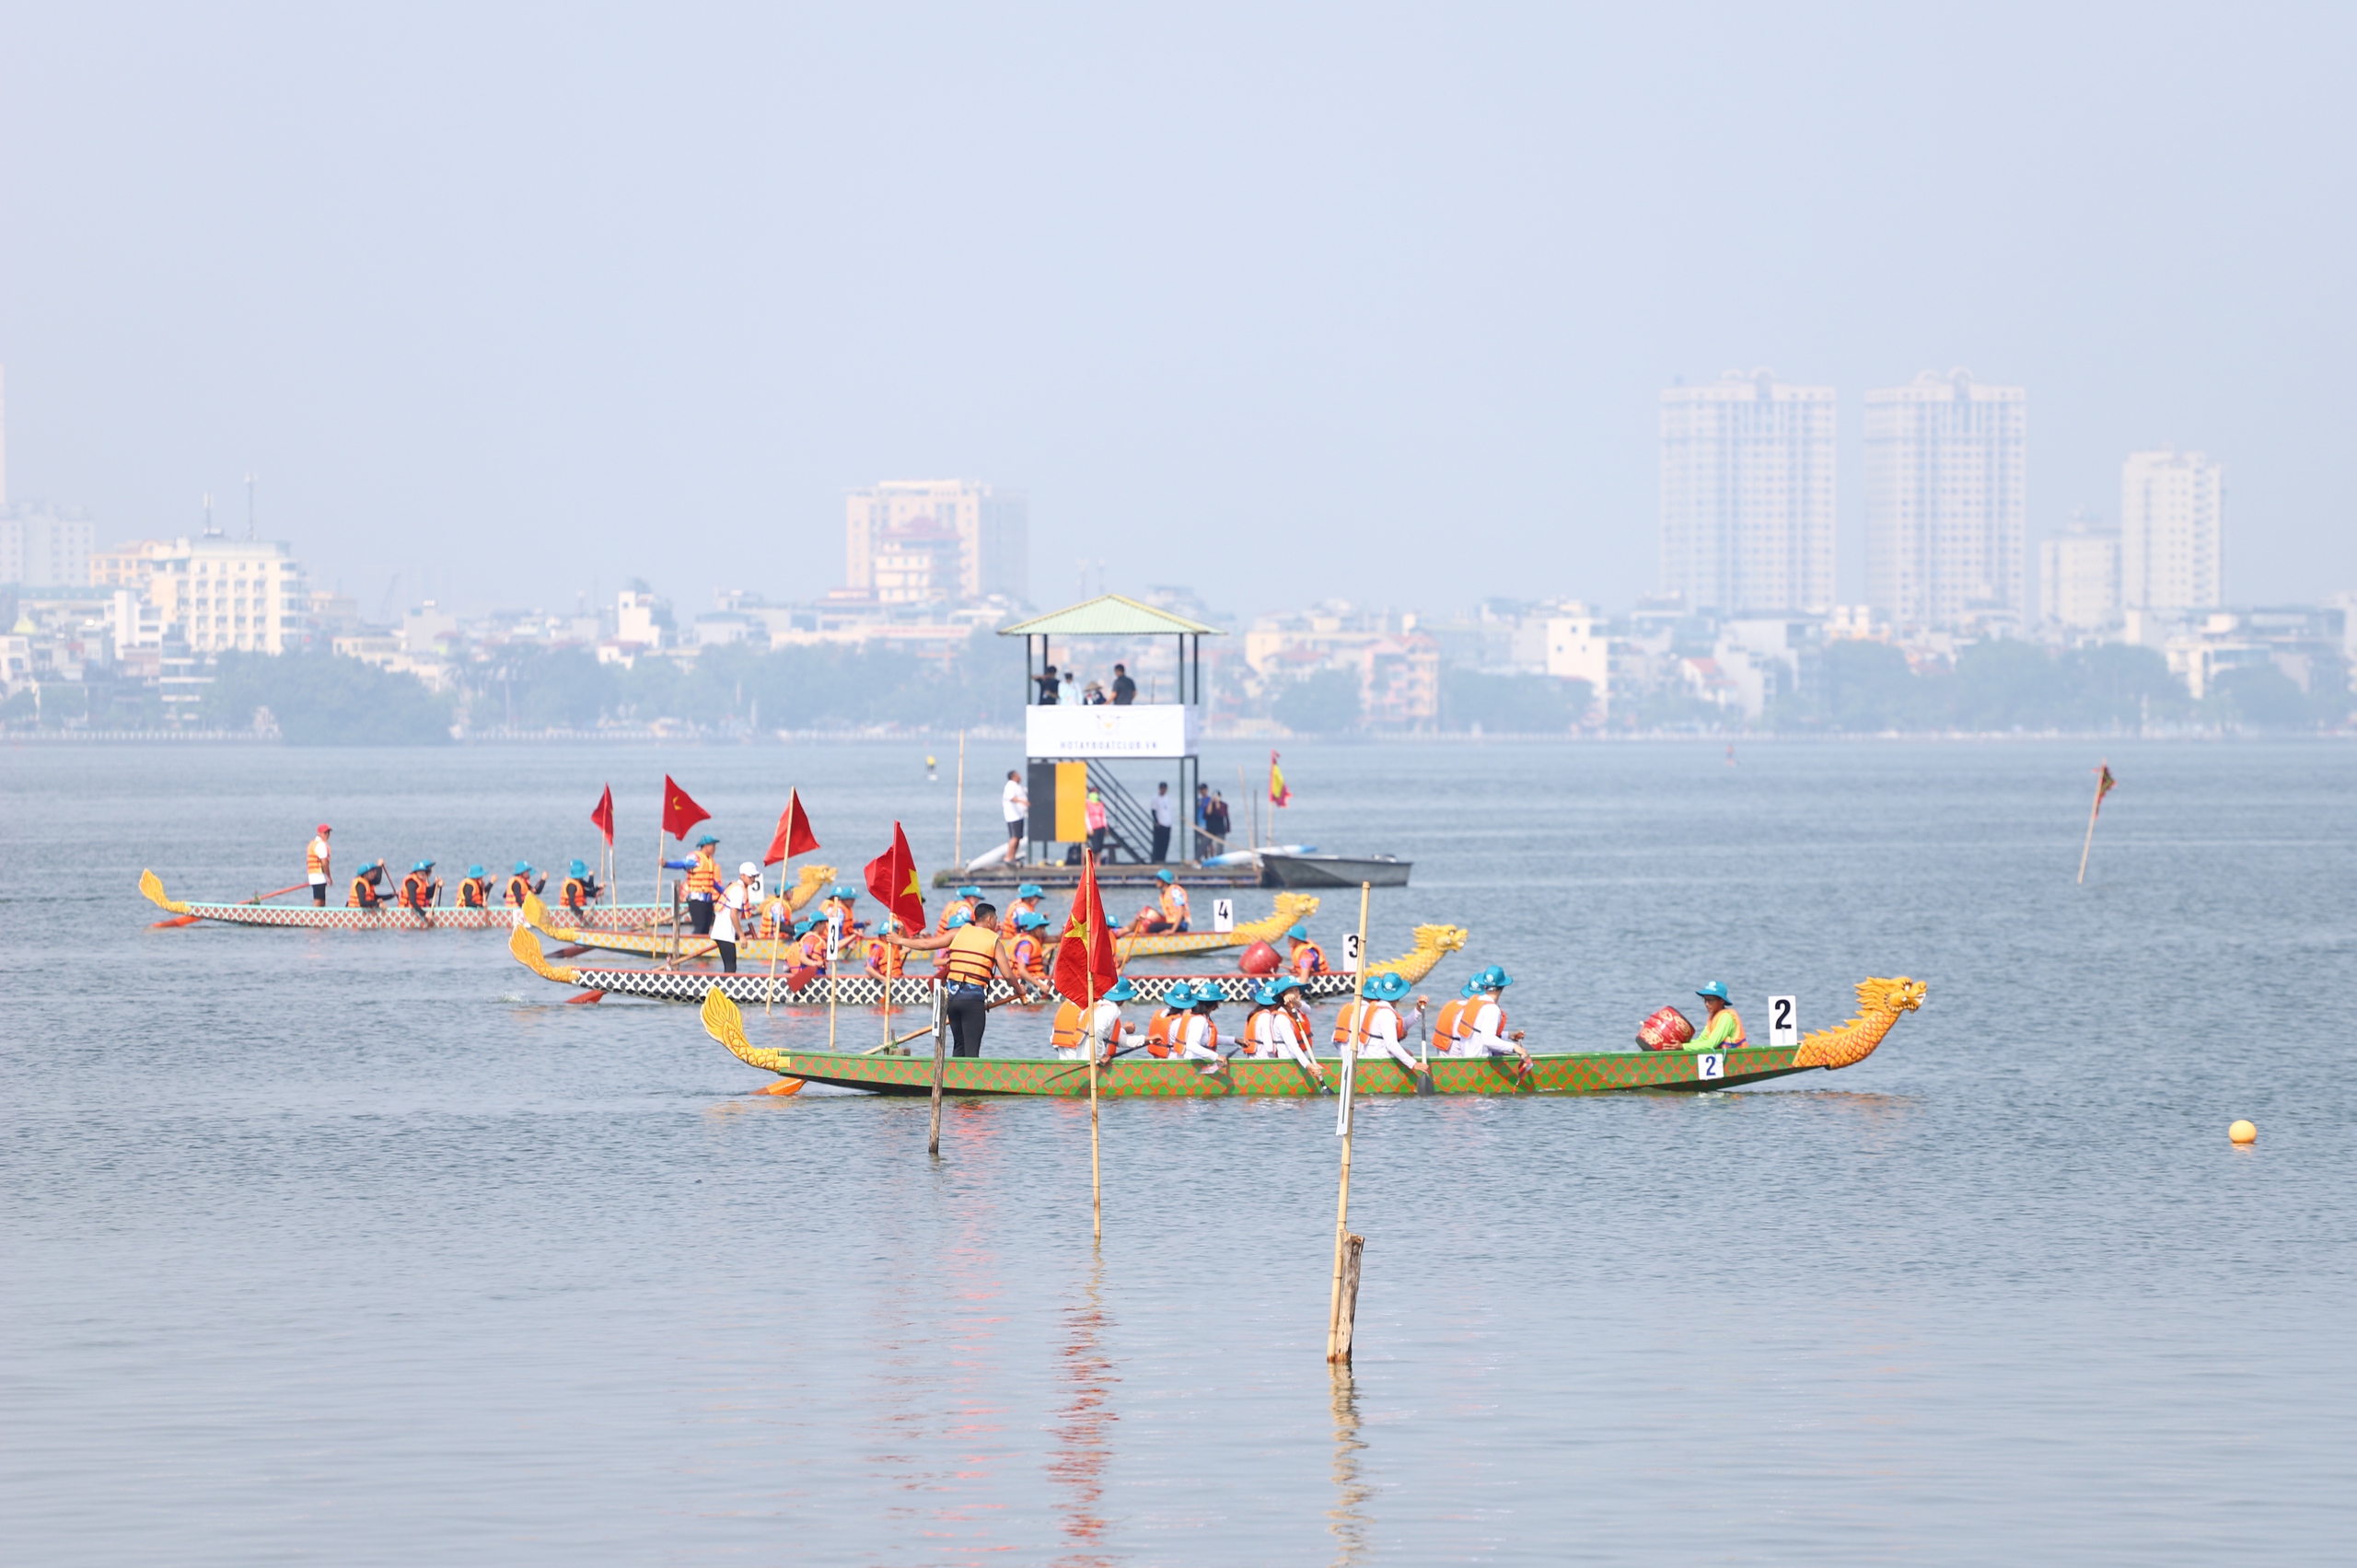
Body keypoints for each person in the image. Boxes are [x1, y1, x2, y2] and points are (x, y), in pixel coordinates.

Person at [886, 902, 1042, 1057]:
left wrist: (900, 941)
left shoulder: (957, 932)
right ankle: (970, 1081)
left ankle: (952, 1080)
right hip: (972, 1001)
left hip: (953, 1000)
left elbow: (926, 944)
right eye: (995, 919)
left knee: (959, 1046)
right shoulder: (994, 941)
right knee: (972, 1051)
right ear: (989, 920)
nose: (996, 923)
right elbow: (1008, 975)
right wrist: (1019, 989)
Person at [1331, 970, 1423, 1076]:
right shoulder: (1382, 1012)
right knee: (1408, 1054)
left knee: (1405, 1053)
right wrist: (1414, 1064)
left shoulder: (1370, 1008)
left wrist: (1417, 1011)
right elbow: (1392, 1044)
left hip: (1348, 1054)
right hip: (1364, 1058)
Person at [1456, 966, 1534, 1071]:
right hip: (1480, 1066)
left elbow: (1479, 1032)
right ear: (1503, 986)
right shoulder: (1491, 1009)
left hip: (1467, 1062)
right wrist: (1515, 1048)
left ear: (1484, 986)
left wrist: (1508, 1035)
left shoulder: (1475, 1001)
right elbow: (1488, 1040)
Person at [1050, 977, 1136, 1062]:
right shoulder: (1105, 1008)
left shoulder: (1069, 1003)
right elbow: (1097, 1030)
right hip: (1079, 1053)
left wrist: (1124, 1031)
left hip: (1063, 1052)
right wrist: (1098, 1056)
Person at [662, 834, 723, 935]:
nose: (715, 848)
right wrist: (666, 864)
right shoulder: (696, 858)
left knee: (706, 926)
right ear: (706, 846)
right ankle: (692, 946)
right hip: (697, 900)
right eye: (713, 846)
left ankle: (702, 948)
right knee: (700, 925)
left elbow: (711, 882)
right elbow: (681, 864)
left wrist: (724, 892)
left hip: (708, 901)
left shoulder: (710, 861)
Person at [713, 862, 761, 973]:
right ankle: (726, 989)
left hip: (724, 932)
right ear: (742, 875)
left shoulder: (738, 888)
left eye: (754, 876)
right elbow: (733, 914)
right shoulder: (738, 890)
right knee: (731, 967)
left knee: (730, 966)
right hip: (724, 933)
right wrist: (742, 935)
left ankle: (726, 987)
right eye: (750, 876)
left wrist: (737, 934)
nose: (752, 879)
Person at [1170, 983, 1227, 1074]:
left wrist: (1235, 1040)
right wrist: (1217, 1056)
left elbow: (1208, 1038)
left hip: (1190, 1064)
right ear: (1215, 1003)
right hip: (1192, 1068)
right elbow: (1191, 1045)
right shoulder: (1200, 1020)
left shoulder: (1197, 1016)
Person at [1687, 981, 1747, 1052]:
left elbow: (1711, 1044)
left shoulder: (1726, 1018)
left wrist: (1683, 1047)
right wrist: (1680, 1044)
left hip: (1737, 1057)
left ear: (1722, 1001)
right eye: (1705, 1000)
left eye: (1710, 1000)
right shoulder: (1713, 1017)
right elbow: (1702, 1040)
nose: (1707, 1004)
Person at [1004, 911, 1050, 984]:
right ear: (1031, 928)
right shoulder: (1025, 945)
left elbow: (1058, 938)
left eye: (1044, 928)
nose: (1043, 931)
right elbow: (1021, 971)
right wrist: (1041, 986)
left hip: (1037, 978)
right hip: (1027, 983)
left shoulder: (1036, 938)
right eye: (1041, 928)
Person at [1002, 770, 1028, 864]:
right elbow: (1011, 798)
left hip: (1020, 815)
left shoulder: (1018, 786)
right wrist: (1024, 802)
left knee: (1018, 838)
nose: (1020, 776)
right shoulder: (1010, 786)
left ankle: (1013, 856)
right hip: (1013, 816)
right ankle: (1008, 857)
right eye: (1018, 774)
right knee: (1014, 837)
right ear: (1014, 776)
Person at [307, 823, 333, 905]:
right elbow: (324, 862)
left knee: (321, 898)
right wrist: (329, 876)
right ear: (319, 833)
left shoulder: (313, 843)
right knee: (319, 900)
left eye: (328, 833)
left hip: (313, 874)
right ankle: (315, 916)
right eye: (325, 833)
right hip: (319, 875)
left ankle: (318, 916)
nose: (327, 835)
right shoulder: (321, 844)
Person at [1150, 782, 1175, 863]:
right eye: (1162, 788)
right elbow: (1153, 810)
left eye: (1165, 788)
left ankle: (1163, 860)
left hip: (1167, 824)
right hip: (1160, 824)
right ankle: (1156, 860)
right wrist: (1157, 821)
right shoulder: (1155, 798)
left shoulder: (1167, 798)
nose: (1163, 790)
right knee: (1158, 844)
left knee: (1165, 844)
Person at [1084, 790, 1108, 857]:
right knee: (1095, 846)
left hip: (1101, 826)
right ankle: (1092, 861)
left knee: (1100, 846)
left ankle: (1098, 862)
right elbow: (1086, 817)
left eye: (1097, 793)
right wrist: (1089, 828)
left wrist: (1106, 827)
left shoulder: (1100, 804)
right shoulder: (1087, 804)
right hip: (1093, 827)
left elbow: (1103, 816)